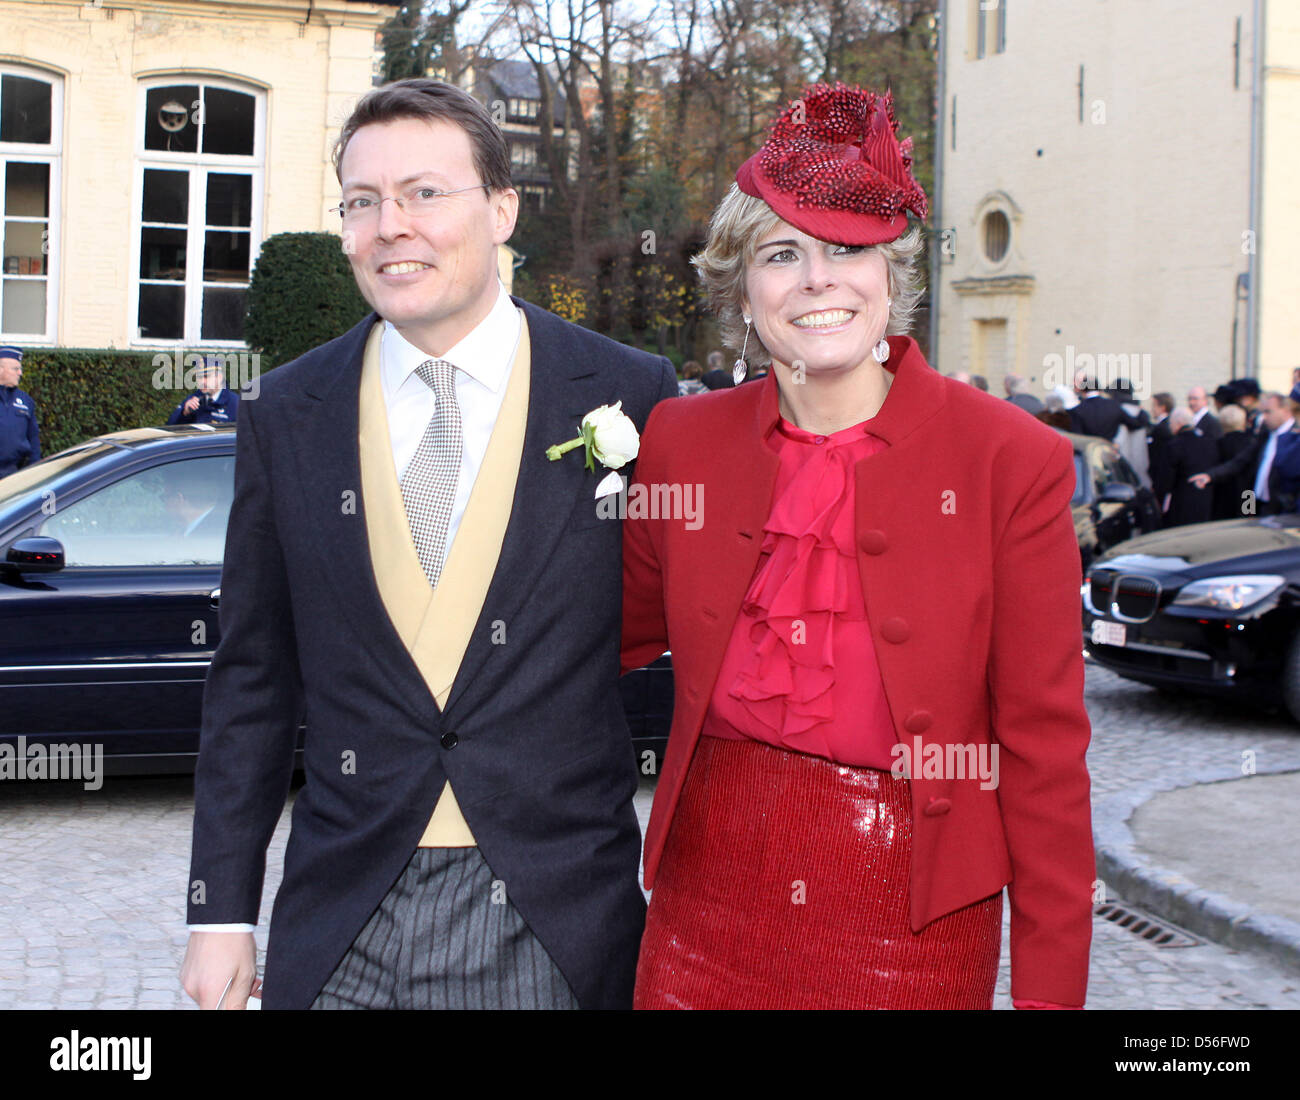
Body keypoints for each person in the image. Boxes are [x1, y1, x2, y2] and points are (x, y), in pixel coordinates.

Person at [180, 79, 677, 1011]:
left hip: (552, 914)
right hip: (342, 917)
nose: (389, 226)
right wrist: (219, 914)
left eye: (423, 193)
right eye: (362, 202)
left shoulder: (630, 393)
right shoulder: (287, 412)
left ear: (501, 210)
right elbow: (251, 675)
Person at [621, 84, 1093, 1010]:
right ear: (741, 286)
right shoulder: (679, 441)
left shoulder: (1010, 461)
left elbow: (1043, 757)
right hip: (700, 911)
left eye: (850, 250)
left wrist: (1049, 999)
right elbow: (599, 639)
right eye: (781, 253)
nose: (817, 280)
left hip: (915, 923)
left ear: (893, 275)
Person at [1157, 408, 1217, 526]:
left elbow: (1164, 479)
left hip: (1181, 502)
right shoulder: (1209, 442)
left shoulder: (1174, 445)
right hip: (1206, 500)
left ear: (1178, 423)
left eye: (1171, 424)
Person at [0, 345, 40, 477]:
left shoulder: (25, 400)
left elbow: (33, 438)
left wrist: (34, 472)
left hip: (14, 475)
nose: (20, 373)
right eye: (15, 369)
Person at [1069, 371, 1146, 439]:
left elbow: (1077, 436)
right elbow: (1135, 424)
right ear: (1099, 388)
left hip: (1088, 450)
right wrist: (1141, 411)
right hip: (1109, 449)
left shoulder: (1077, 410)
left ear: (1082, 389)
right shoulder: (1114, 406)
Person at [167, 357, 240, 425]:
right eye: (199, 377)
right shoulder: (193, 399)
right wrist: (184, 413)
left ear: (219, 377)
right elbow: (170, 429)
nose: (202, 382)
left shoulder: (236, 404)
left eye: (206, 376)